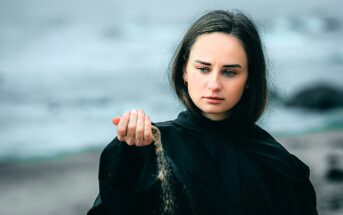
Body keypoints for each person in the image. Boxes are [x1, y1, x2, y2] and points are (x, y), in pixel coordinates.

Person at [88, 10, 318, 215]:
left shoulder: (279, 165)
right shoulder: (150, 149)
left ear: (249, 79)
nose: (214, 84)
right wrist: (129, 159)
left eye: (229, 72)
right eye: (203, 69)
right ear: (184, 71)